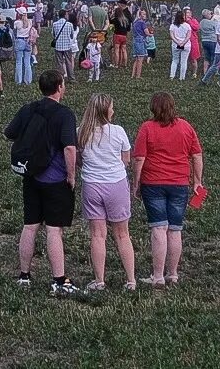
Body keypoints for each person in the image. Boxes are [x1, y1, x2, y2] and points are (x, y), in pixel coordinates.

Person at [5, 68, 80, 296]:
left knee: (30, 226)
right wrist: (71, 175)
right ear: (59, 87)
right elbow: (69, 147)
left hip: (31, 175)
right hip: (55, 179)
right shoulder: (64, 114)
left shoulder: (29, 109)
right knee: (54, 229)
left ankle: (24, 276)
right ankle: (59, 280)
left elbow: (9, 133)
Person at [129, 91, 202, 286]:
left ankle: (158, 276)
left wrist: (136, 183)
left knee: (158, 228)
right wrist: (197, 181)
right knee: (175, 229)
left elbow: (139, 159)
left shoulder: (147, 128)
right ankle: (173, 274)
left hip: (153, 183)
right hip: (179, 184)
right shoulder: (186, 127)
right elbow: (196, 155)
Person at [77, 93, 136, 293]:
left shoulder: (81, 133)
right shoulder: (118, 132)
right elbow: (126, 159)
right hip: (116, 185)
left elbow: (78, 159)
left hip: (92, 185)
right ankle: (131, 280)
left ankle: (99, 280)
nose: (113, 110)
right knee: (122, 234)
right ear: (105, 111)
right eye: (111, 107)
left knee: (97, 235)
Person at [12, 7, 37, 87]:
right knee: (27, 62)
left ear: (19, 14)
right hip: (28, 41)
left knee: (19, 62)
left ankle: (18, 81)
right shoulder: (30, 22)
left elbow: (14, 32)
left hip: (20, 40)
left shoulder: (17, 23)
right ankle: (28, 80)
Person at [167, 10, 192, 80]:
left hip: (175, 45)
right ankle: (182, 77)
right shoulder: (187, 26)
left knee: (175, 60)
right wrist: (183, 43)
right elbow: (188, 36)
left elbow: (172, 36)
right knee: (184, 61)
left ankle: (172, 76)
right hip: (186, 45)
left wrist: (177, 42)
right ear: (183, 17)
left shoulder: (172, 26)